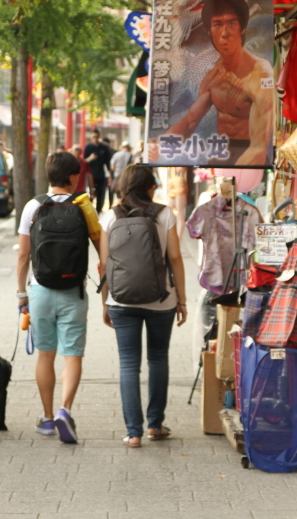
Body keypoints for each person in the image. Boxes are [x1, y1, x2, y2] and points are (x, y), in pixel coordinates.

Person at [99, 164, 187, 448]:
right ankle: (155, 426)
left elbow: (105, 266)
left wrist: (105, 303)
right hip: (162, 299)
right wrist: (182, 299)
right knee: (158, 358)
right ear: (149, 187)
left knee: (128, 364)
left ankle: (133, 432)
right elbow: (175, 258)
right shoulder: (165, 214)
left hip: (121, 300)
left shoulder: (109, 217)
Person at [16, 151, 100, 444]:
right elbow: (103, 252)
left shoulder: (33, 207)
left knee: (45, 355)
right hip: (74, 293)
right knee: (72, 355)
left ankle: (48, 418)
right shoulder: (84, 207)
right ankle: (66, 410)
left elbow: (24, 255)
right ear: (74, 177)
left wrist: (21, 294)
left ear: (49, 175)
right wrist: (107, 291)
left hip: (39, 291)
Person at [151, 0, 275, 166]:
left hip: (252, 161)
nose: (224, 33)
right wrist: (160, 145)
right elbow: (189, 122)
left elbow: (260, 145)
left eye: (231, 23)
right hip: (221, 156)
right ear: (210, 32)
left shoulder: (261, 73)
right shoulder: (212, 77)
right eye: (218, 24)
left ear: (242, 28)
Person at [84, 130, 113, 211]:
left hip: (101, 175)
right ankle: (89, 210)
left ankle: (99, 209)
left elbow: (108, 163)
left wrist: (110, 176)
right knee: (91, 193)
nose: (95, 139)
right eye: (94, 137)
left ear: (99, 137)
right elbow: (84, 162)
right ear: (91, 137)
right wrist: (90, 158)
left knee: (101, 193)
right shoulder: (88, 147)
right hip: (90, 175)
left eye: (97, 137)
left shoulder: (104, 148)